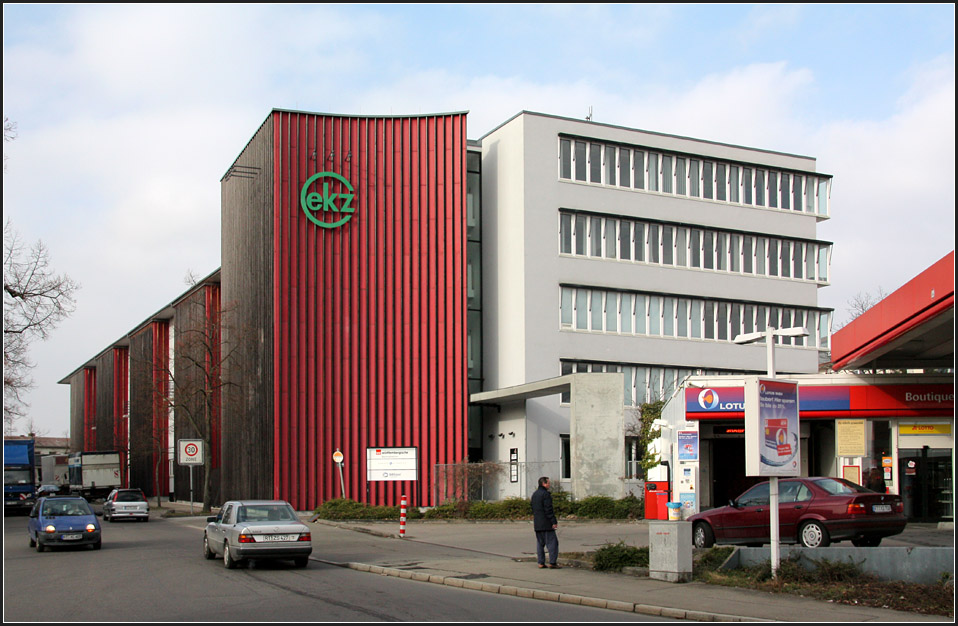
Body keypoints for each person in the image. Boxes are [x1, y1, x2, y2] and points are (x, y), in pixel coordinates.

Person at [530, 476, 560, 569]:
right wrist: (553, 521)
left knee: (540, 543)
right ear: (544, 484)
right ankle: (552, 562)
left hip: (537, 523)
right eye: (548, 483)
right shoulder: (546, 495)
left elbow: (532, 507)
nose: (549, 485)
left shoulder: (534, 494)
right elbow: (548, 509)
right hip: (546, 523)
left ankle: (541, 562)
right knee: (552, 543)